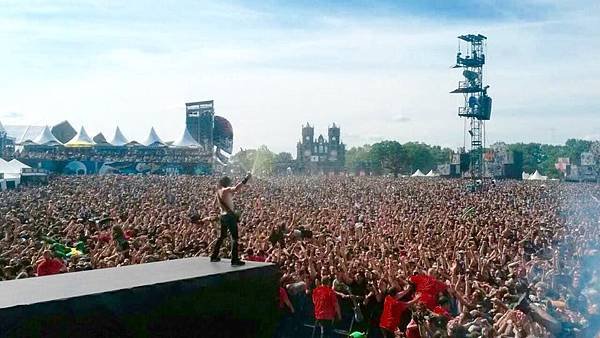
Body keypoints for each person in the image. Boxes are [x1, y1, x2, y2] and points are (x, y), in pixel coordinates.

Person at [210, 173, 252, 266]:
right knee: (234, 238)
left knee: (222, 236)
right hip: (229, 216)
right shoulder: (225, 190)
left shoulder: (218, 192)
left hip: (222, 216)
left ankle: (214, 256)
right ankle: (234, 260)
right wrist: (246, 178)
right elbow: (237, 188)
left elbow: (214, 204)